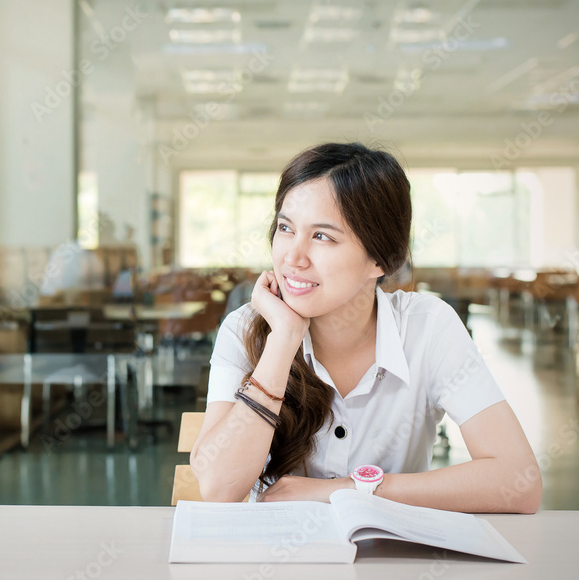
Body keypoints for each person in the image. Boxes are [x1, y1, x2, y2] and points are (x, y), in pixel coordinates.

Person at [190, 143, 542, 513]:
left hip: (388, 564)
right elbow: (217, 486)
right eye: (285, 228)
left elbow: (519, 482)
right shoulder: (245, 328)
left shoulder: (428, 328)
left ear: (381, 258)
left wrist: (348, 490)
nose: (292, 258)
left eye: (322, 236)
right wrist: (284, 339)